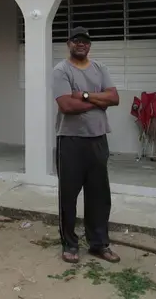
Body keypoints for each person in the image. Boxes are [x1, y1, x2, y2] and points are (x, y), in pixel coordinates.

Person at [52, 26, 121, 264]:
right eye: (76, 40)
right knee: (68, 196)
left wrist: (82, 95)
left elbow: (114, 98)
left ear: (90, 45)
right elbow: (66, 106)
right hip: (70, 141)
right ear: (68, 43)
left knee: (99, 196)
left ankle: (98, 244)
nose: (81, 44)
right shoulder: (61, 70)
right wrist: (98, 100)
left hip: (98, 139)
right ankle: (69, 244)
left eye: (85, 41)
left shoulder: (100, 68)